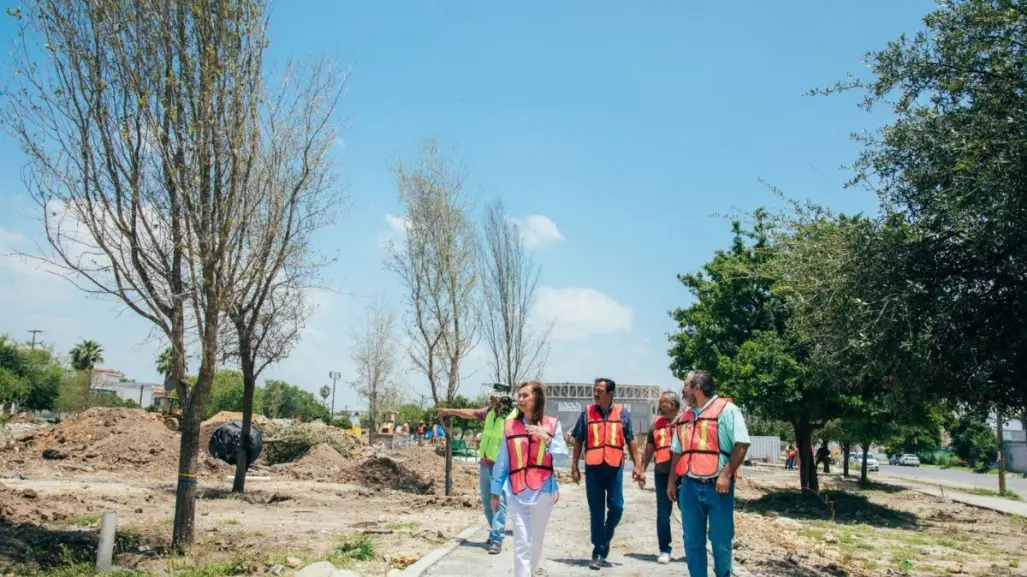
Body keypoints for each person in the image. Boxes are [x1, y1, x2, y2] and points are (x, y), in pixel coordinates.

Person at [668, 370, 750, 577]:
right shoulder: (685, 416)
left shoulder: (728, 410)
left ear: (697, 388)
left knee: (721, 540)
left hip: (718, 487)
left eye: (686, 385)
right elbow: (677, 451)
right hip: (689, 486)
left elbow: (742, 444)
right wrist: (672, 480)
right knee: (692, 541)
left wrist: (726, 474)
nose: (683, 389)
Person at [491, 381, 567, 577]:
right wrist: (495, 491)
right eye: (520, 395)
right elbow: (502, 461)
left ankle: (530, 572)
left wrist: (547, 438)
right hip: (516, 492)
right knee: (521, 542)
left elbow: (563, 456)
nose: (521, 399)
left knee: (536, 541)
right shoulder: (510, 426)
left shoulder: (552, 424)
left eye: (526, 395)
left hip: (543, 491)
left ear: (537, 398)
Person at [570, 377, 642, 570]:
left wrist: (637, 465)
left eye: (599, 391)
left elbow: (631, 440)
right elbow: (578, 440)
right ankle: (598, 551)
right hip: (593, 468)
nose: (595, 394)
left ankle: (606, 535)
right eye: (594, 390)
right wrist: (575, 466)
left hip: (614, 467)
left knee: (617, 507)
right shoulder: (586, 413)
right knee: (596, 511)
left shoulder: (622, 413)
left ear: (610, 393)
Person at [437, 391, 517, 554]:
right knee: (487, 502)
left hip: (502, 465)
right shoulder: (489, 412)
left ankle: (496, 538)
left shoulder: (513, 416)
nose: (490, 399)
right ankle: (495, 529)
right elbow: (470, 413)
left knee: (498, 502)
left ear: (502, 399)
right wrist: (449, 411)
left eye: (494, 397)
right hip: (486, 462)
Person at [637, 391, 683, 565]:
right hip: (662, 474)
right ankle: (665, 549)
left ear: (674, 404)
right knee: (663, 514)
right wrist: (642, 470)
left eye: (664, 402)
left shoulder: (686, 422)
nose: (660, 405)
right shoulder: (655, 425)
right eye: (660, 402)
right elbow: (649, 450)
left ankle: (693, 549)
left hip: (684, 474)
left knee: (689, 513)